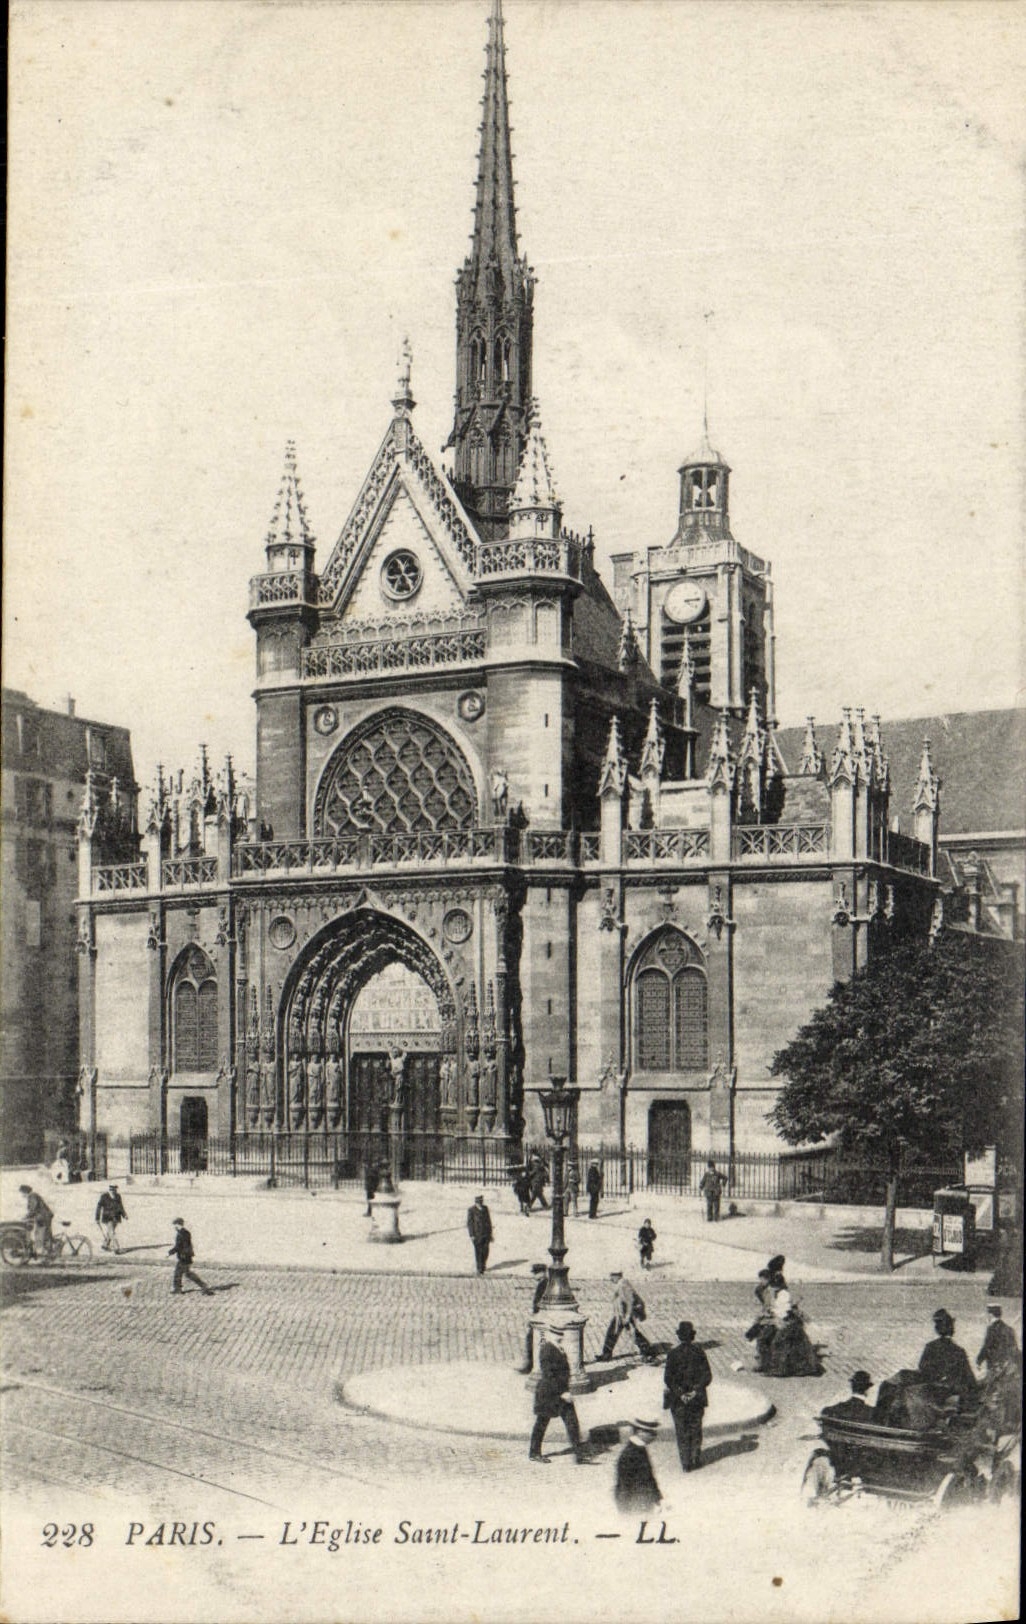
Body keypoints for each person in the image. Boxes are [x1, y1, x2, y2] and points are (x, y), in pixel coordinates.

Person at [663, 1321, 712, 1471]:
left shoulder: (672, 1354)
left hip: (678, 1400)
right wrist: (694, 1391)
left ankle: (685, 1463)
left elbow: (668, 1378)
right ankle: (695, 1459)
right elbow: (707, 1376)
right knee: (695, 1429)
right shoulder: (699, 1353)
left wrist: (680, 1393)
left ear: (679, 1337)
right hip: (696, 1399)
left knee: (681, 1431)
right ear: (692, 1336)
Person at [529, 1340, 585, 1464]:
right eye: (557, 1334)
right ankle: (534, 1452)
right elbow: (548, 1375)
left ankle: (579, 1454)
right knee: (542, 1423)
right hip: (548, 1393)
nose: (561, 1337)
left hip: (560, 1391)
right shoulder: (547, 1349)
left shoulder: (558, 1348)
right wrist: (562, 1392)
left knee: (572, 1422)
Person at [918, 1309, 977, 1408]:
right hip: (953, 1390)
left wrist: (936, 1377)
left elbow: (922, 1367)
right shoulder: (959, 1351)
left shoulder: (930, 1346)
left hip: (934, 1390)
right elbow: (969, 1377)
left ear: (937, 1329)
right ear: (952, 1329)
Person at [596, 1272, 657, 1363]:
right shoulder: (621, 1283)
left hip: (624, 1315)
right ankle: (607, 1354)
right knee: (616, 1333)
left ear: (617, 1276)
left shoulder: (623, 1284)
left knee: (629, 1333)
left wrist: (628, 1316)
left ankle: (648, 1352)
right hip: (620, 1314)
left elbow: (630, 1301)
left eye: (612, 1276)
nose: (610, 1279)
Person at [614, 1418, 662, 1514]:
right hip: (635, 1505)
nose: (654, 1436)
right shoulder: (629, 1454)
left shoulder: (640, 1448)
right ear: (640, 1432)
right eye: (651, 1433)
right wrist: (625, 1512)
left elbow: (649, 1477)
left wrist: (658, 1498)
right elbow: (624, 1486)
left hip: (644, 1502)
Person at [516, 1264, 551, 1374]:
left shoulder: (544, 1284)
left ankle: (530, 1365)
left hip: (541, 1318)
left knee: (532, 1340)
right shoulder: (544, 1283)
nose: (534, 1276)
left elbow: (540, 1303)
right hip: (540, 1317)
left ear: (542, 1272)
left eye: (536, 1273)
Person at [169, 1218, 214, 1296]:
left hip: (184, 1257)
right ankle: (203, 1286)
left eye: (175, 1225)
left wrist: (171, 1252)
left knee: (180, 1273)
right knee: (186, 1273)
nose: (174, 1227)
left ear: (178, 1224)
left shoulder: (182, 1234)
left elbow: (180, 1246)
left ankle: (179, 1289)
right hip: (186, 1256)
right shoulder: (184, 1232)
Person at [977, 1304, 1020, 1378]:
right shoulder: (1009, 1329)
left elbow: (986, 1346)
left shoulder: (991, 1329)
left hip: (994, 1367)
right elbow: (1014, 1348)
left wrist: (979, 1360)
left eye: (987, 1314)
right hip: (1008, 1367)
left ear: (990, 1315)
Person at [19, 1184, 54, 1258]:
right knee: (44, 1233)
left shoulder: (32, 1196)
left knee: (42, 1234)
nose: (22, 1195)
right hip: (44, 1216)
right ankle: (47, 1252)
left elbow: (33, 1208)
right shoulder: (33, 1195)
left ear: (25, 1192)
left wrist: (26, 1216)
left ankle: (46, 1253)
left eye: (22, 1193)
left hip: (43, 1217)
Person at [95, 1184, 127, 1252]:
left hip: (116, 1217)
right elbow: (99, 1207)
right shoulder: (104, 1196)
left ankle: (105, 1245)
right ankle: (117, 1248)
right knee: (112, 1232)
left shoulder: (118, 1196)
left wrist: (124, 1215)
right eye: (111, 1190)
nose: (113, 1191)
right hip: (107, 1218)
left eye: (114, 1190)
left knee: (110, 1232)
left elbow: (120, 1206)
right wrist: (97, 1218)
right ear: (109, 1190)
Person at [467, 1194, 493, 1274]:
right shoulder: (471, 1210)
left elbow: (489, 1221)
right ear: (476, 1202)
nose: (480, 1204)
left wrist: (491, 1234)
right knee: (478, 1251)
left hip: (486, 1233)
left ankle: (483, 1263)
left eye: (481, 1202)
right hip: (477, 1234)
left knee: (486, 1251)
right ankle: (479, 1267)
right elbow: (470, 1223)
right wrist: (471, 1234)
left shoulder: (485, 1208)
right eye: (478, 1202)